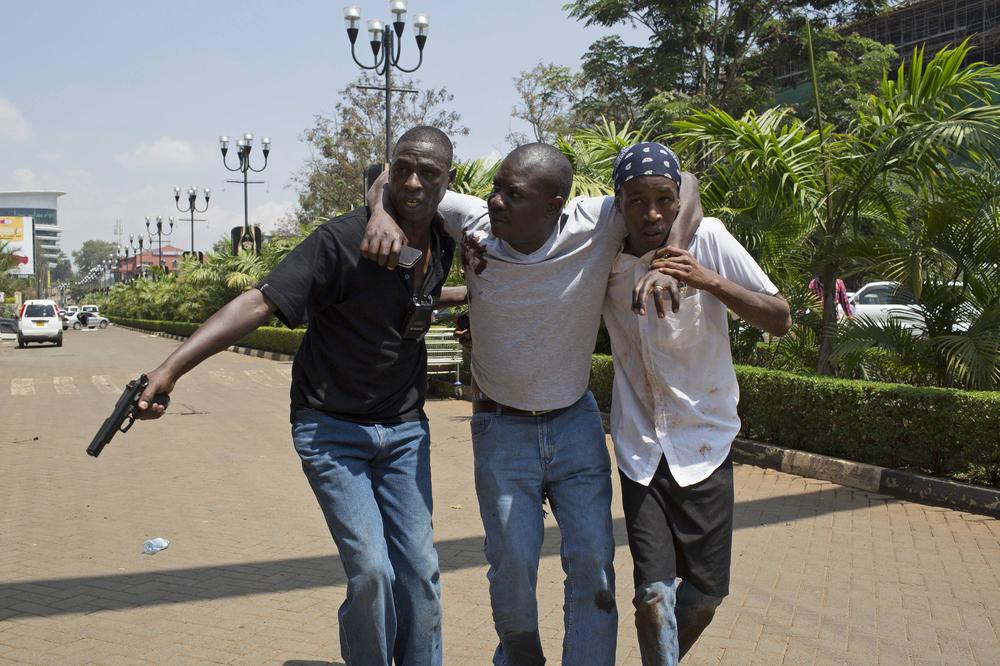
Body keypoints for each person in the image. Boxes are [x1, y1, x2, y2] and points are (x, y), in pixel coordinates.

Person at [363, 143, 703, 665]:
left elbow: (690, 183)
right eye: (496, 187)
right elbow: (391, 177)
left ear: (554, 206)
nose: (493, 201)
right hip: (502, 431)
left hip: (575, 424)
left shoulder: (597, 221)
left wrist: (669, 261)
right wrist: (382, 213)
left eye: (511, 194)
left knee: (593, 561)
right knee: (512, 564)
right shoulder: (471, 218)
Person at [134, 126, 463, 666]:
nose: (413, 181)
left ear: (447, 179)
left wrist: (471, 295)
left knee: (421, 572)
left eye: (428, 172)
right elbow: (260, 303)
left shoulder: (447, 238)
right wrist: (169, 370)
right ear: (389, 170)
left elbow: (416, 293)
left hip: (404, 431)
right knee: (373, 572)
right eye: (402, 168)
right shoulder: (340, 241)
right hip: (332, 430)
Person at [603, 142, 791, 665]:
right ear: (618, 203)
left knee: (706, 595)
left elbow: (779, 317)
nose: (652, 213)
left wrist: (701, 276)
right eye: (637, 200)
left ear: (676, 198)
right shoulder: (607, 255)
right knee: (654, 594)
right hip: (640, 450)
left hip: (704, 444)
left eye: (663, 199)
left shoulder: (708, 239)